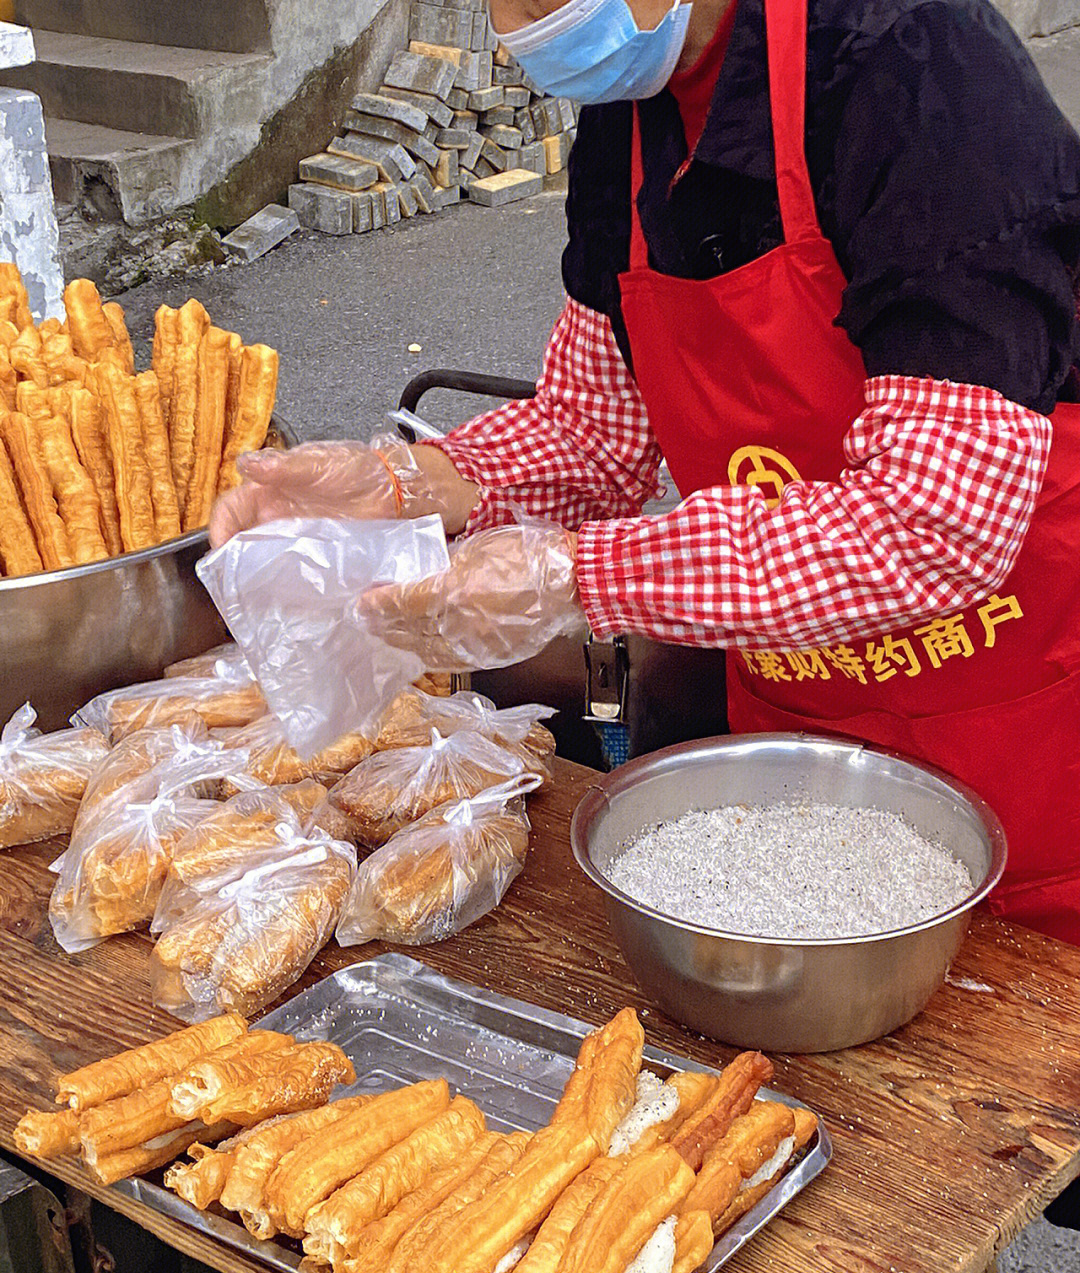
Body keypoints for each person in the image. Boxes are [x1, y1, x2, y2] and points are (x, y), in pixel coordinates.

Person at [211, 0, 1080, 953]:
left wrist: (576, 577)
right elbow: (592, 431)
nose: (520, 26)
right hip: (804, 736)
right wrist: (414, 479)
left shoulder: (918, 69)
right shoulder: (625, 129)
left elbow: (935, 520)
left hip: (1030, 737)